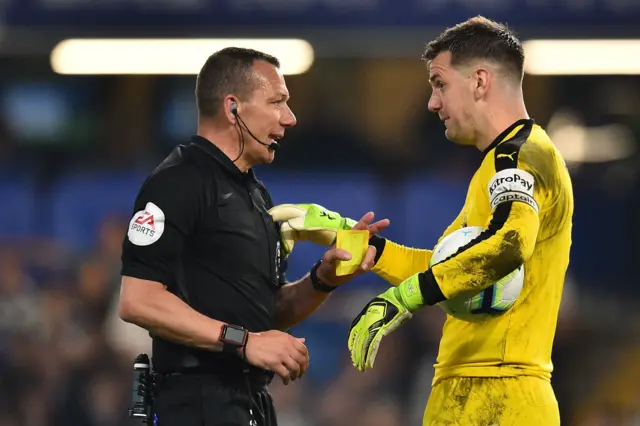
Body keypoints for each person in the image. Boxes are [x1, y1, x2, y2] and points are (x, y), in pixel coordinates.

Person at [288, 16, 572, 425]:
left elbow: (509, 244)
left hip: (502, 401)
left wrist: (401, 300)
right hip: (468, 394)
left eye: (440, 84)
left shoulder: (523, 156)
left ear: (479, 82)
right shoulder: (495, 165)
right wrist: (367, 247)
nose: (432, 102)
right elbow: (451, 272)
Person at [118, 47, 389, 426]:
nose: (290, 118)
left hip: (249, 403)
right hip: (193, 404)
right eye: (277, 101)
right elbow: (138, 301)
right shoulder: (177, 181)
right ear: (233, 108)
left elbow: (267, 314)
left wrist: (322, 280)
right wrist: (245, 342)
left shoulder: (255, 196)